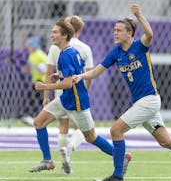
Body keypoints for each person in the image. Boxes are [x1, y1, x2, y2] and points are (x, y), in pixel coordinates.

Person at [73, 3, 171, 181]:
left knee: (115, 131)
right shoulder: (116, 52)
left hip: (149, 100)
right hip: (141, 103)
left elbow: (150, 34)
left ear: (129, 33)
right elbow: (97, 71)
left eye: (119, 30)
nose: (115, 33)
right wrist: (81, 76)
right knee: (165, 140)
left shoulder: (139, 46)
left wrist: (139, 15)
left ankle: (117, 176)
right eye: (114, 29)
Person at [28, 19, 132, 175]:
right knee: (39, 122)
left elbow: (69, 84)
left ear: (64, 35)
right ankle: (47, 160)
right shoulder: (69, 51)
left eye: (55, 32)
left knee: (91, 138)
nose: (51, 35)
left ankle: (122, 156)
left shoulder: (65, 55)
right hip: (65, 100)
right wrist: (58, 75)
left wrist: (45, 87)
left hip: (77, 103)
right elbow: (73, 73)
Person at [43, 15, 94, 174]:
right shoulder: (85, 48)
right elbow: (88, 74)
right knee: (81, 128)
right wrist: (85, 92)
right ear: (79, 30)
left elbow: (49, 72)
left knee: (62, 127)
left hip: (61, 92)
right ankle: (69, 151)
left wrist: (46, 95)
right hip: (77, 93)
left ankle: (64, 163)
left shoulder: (55, 47)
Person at [21, 36, 48, 126]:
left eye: (29, 45)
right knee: (38, 99)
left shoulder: (40, 54)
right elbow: (33, 69)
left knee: (33, 97)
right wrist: (27, 70)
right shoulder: (31, 55)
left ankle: (32, 116)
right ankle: (39, 117)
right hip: (35, 81)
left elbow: (48, 66)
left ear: (34, 45)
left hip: (42, 81)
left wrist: (43, 69)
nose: (28, 47)